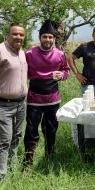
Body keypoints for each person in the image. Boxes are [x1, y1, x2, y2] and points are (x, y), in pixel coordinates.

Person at [23, 20, 70, 167]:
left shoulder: (60, 54)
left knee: (50, 129)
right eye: (45, 37)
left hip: (52, 99)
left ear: (54, 39)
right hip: (34, 99)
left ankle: (49, 157)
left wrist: (62, 75)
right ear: (40, 37)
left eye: (50, 37)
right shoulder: (29, 54)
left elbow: (66, 70)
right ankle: (28, 163)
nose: (48, 40)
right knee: (31, 130)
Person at [0, 24, 27, 181]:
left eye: (21, 35)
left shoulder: (21, 53)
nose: (18, 37)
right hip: (2, 104)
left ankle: (12, 170)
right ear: (7, 34)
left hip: (21, 104)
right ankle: (1, 179)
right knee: (4, 142)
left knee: (16, 137)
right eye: (15, 34)